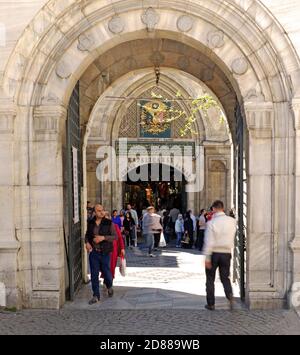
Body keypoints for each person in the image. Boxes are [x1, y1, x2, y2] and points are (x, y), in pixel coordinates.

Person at [202, 200, 237, 311]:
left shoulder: (211, 223)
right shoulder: (232, 221)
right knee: (225, 277)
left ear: (214, 209)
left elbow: (209, 241)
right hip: (226, 253)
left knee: (210, 279)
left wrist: (207, 258)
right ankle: (229, 295)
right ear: (223, 208)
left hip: (214, 253)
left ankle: (211, 304)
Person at [85, 204, 117, 304]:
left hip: (105, 252)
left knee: (107, 273)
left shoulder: (109, 223)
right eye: (99, 211)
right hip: (94, 252)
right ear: (94, 212)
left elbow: (115, 236)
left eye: (102, 210)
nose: (102, 212)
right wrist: (87, 242)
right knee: (94, 275)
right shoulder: (90, 222)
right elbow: (87, 234)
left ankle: (109, 285)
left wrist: (103, 238)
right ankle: (96, 295)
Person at [101, 211, 125, 284]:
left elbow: (120, 238)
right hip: (103, 249)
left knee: (112, 265)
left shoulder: (115, 226)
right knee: (104, 265)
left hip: (112, 249)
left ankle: (110, 280)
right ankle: (106, 278)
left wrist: (122, 248)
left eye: (107, 217)